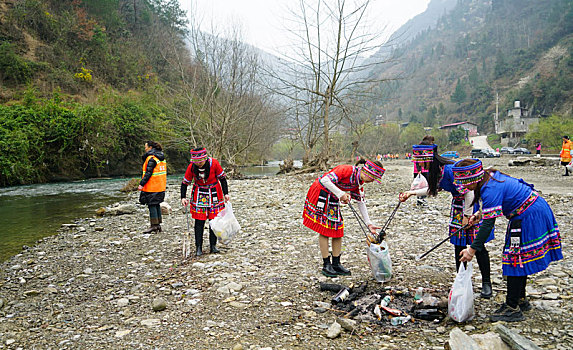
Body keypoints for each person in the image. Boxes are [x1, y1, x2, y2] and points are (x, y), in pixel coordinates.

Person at [455, 159, 562, 322]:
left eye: (465, 183)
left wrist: (472, 250)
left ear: (473, 179)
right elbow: (494, 207)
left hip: (528, 215)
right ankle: (520, 299)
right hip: (533, 209)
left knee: (514, 258)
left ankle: (512, 307)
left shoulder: (490, 188)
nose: (464, 188)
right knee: (519, 258)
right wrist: (479, 215)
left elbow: (488, 226)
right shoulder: (488, 177)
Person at [399, 143, 494, 298]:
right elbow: (433, 189)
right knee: (458, 244)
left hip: (471, 205)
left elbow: (469, 193)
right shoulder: (434, 171)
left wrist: (467, 216)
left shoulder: (449, 170)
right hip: (457, 207)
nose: (419, 164)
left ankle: (486, 282)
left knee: (478, 245)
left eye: (420, 161)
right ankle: (462, 279)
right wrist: (411, 193)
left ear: (428, 159)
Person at [303, 158, 385, 277]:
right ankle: (326, 264)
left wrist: (369, 224)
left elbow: (361, 202)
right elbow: (325, 180)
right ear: (367, 172)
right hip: (321, 193)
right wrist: (341, 194)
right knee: (324, 230)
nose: (372, 181)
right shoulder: (346, 170)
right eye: (373, 178)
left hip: (333, 198)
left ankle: (336, 263)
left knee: (337, 229)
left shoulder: (359, 183)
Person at [180, 147, 230, 256]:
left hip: (214, 193)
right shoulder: (191, 167)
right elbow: (185, 182)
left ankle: (213, 246)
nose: (199, 164)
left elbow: (222, 179)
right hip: (199, 194)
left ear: (205, 158)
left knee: (214, 221)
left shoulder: (214, 163)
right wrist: (183, 197)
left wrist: (226, 193)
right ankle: (199, 247)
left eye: (200, 161)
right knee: (199, 221)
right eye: (196, 162)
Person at [138, 141, 167, 234]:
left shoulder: (151, 158)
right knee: (156, 203)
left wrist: (141, 184)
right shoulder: (161, 157)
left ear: (150, 147)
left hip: (152, 186)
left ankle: (154, 225)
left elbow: (148, 173)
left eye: (145, 147)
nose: (145, 148)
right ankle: (158, 225)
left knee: (151, 205)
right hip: (161, 185)